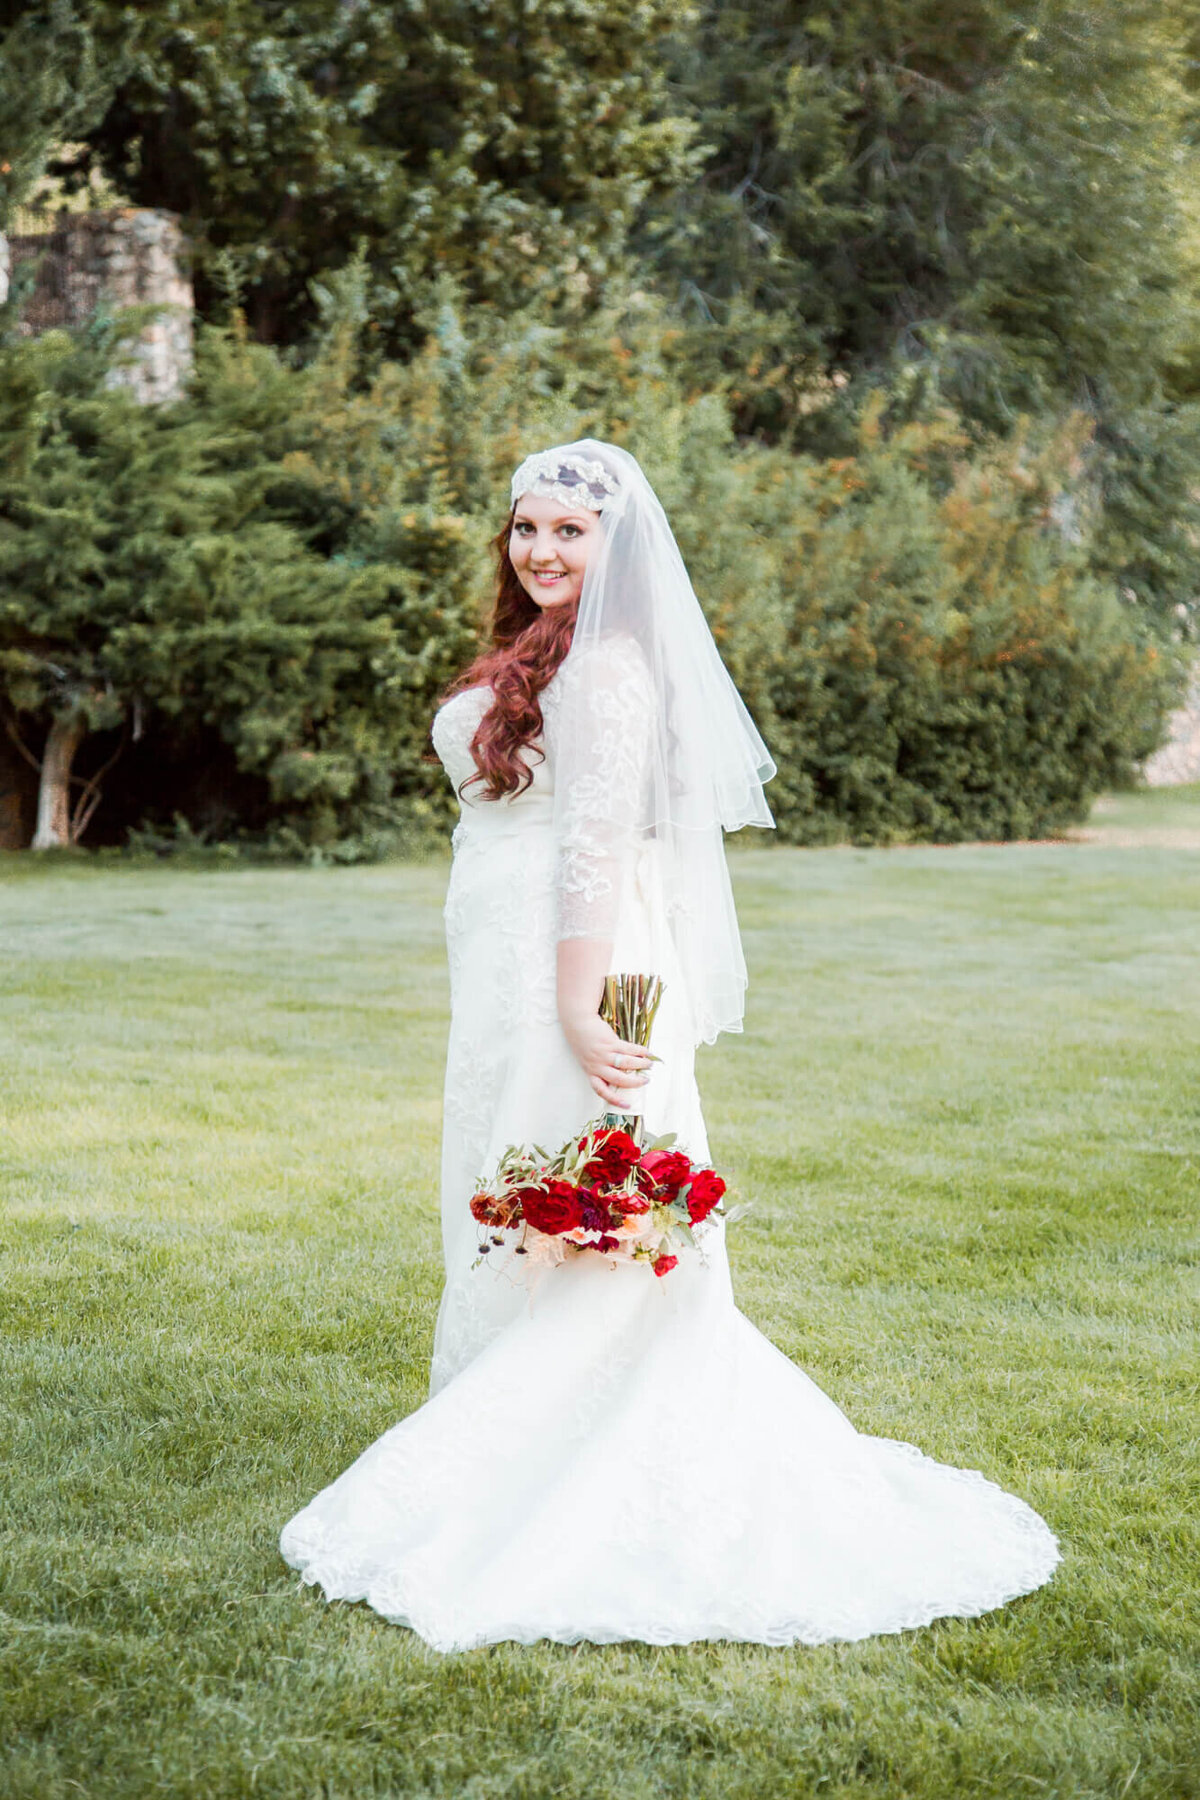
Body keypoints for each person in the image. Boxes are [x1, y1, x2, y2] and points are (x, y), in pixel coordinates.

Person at [280, 440, 1060, 1652]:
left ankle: (566, 1454)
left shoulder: (615, 672)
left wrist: (586, 1009)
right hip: (518, 968)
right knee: (522, 1181)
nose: (541, 550)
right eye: (526, 527)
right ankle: (516, 1422)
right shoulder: (553, 654)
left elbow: (598, 856)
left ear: (618, 545)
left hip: (585, 969)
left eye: (570, 533)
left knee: (587, 1194)